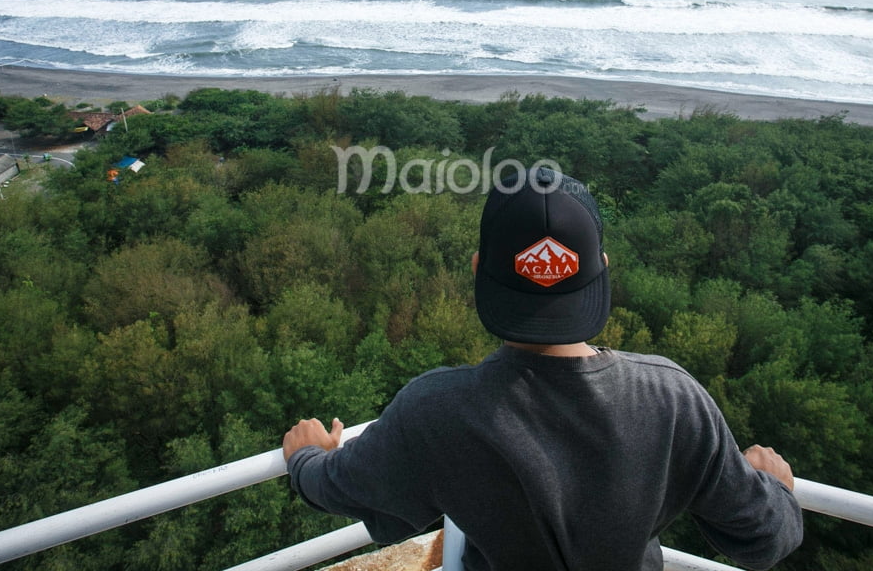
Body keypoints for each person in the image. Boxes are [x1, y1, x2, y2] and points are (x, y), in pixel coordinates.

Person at [284, 168, 803, 570]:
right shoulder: (671, 399)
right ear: (602, 268)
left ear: (477, 269)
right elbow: (765, 541)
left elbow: (333, 487)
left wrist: (306, 455)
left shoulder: (437, 410)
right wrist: (773, 488)